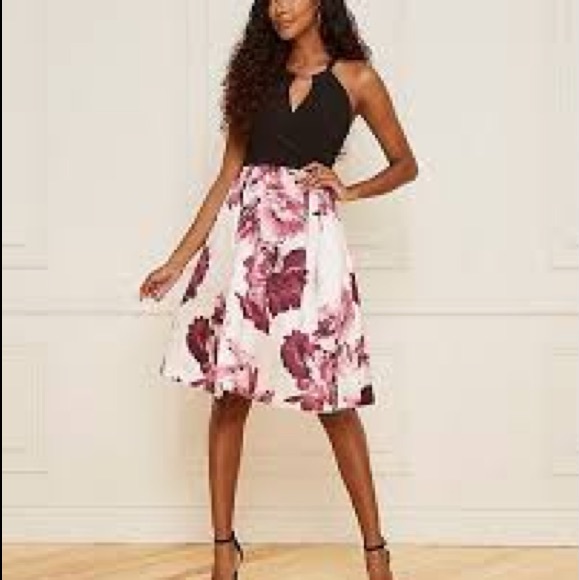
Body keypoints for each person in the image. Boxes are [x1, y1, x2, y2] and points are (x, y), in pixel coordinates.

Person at [140, 1, 418, 578]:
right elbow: (227, 179)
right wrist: (176, 262)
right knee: (230, 395)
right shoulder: (255, 78)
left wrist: (350, 189)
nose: (280, 6)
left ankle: (376, 552)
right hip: (243, 249)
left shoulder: (357, 78)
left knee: (333, 400)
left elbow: (404, 163)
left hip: (310, 252)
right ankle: (223, 551)